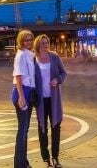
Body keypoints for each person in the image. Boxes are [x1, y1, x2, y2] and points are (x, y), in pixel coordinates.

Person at [33, 35, 67, 168]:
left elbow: (63, 73)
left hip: (54, 99)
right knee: (42, 128)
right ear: (38, 45)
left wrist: (57, 80)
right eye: (42, 43)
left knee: (56, 127)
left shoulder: (55, 57)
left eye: (46, 43)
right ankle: (46, 158)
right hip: (41, 101)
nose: (45, 45)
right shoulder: (33, 60)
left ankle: (56, 157)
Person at [12, 29, 36, 168]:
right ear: (21, 42)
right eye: (26, 40)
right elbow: (18, 76)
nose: (29, 42)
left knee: (25, 130)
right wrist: (21, 97)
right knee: (22, 130)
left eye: (30, 39)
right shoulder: (20, 55)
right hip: (22, 93)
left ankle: (24, 162)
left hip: (29, 93)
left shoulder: (31, 54)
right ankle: (19, 164)